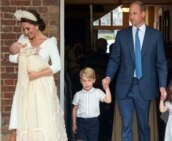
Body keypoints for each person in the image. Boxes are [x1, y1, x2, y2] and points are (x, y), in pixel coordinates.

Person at [102, 1, 167, 141]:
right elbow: (114, 59)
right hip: (124, 85)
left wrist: (162, 85)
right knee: (126, 126)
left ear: (143, 14)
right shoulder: (121, 35)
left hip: (144, 86)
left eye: (134, 13)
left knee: (144, 126)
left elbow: (161, 63)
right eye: (130, 13)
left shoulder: (155, 35)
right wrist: (108, 77)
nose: (131, 17)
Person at [8, 9, 67, 141]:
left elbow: (57, 66)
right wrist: (25, 55)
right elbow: (11, 57)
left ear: (36, 26)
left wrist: (37, 74)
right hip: (24, 84)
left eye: (28, 29)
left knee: (41, 116)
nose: (26, 32)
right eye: (23, 29)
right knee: (23, 116)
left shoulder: (49, 42)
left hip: (41, 85)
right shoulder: (23, 40)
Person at [72, 67, 112, 141]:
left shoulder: (98, 92)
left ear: (94, 80)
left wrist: (106, 88)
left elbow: (108, 100)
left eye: (89, 80)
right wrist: (74, 123)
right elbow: (75, 109)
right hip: (81, 123)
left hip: (93, 123)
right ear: (81, 81)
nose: (86, 83)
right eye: (84, 81)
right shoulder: (78, 94)